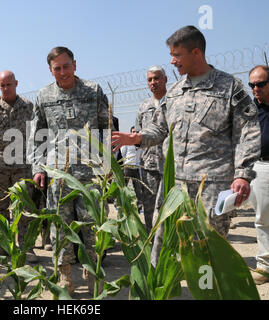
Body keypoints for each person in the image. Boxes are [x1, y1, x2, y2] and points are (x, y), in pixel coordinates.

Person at [112, 26, 261, 247]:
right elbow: (160, 129)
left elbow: (247, 133)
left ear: (196, 53)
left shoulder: (229, 88)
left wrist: (243, 174)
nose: (172, 61)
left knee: (207, 250)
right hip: (174, 184)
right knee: (163, 245)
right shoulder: (174, 92)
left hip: (211, 186)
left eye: (176, 55)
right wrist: (136, 138)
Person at [30, 46, 109, 295]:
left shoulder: (93, 91)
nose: (62, 72)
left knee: (92, 225)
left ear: (75, 64)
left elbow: (106, 131)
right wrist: (37, 167)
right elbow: (37, 136)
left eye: (66, 66)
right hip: (57, 174)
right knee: (60, 226)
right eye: (57, 68)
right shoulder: (43, 96)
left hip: (90, 173)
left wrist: (108, 167)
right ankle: (65, 277)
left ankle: (92, 273)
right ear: (51, 70)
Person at [0, 70, 37, 262]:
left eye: (9, 84)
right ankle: (3, 243)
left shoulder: (29, 107)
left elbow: (35, 133)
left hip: (23, 163)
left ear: (16, 83)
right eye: (2, 85)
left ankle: (26, 246)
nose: (6, 88)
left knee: (24, 206)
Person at [248, 65, 269, 284]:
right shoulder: (249, 110)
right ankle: (266, 267)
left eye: (260, 84)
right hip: (260, 167)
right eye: (252, 85)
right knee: (264, 219)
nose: (255, 89)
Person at [135, 66, 167, 233]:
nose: (153, 82)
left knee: (168, 208)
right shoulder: (144, 106)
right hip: (149, 165)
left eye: (156, 78)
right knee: (149, 207)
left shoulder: (173, 102)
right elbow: (138, 131)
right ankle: (152, 241)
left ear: (165, 79)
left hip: (170, 165)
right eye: (150, 80)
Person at [120, 126, 143, 209]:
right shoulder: (127, 142)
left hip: (136, 168)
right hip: (128, 167)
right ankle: (120, 203)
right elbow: (123, 153)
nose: (134, 133)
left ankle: (139, 205)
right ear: (130, 133)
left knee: (138, 188)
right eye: (133, 131)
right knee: (124, 186)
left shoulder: (141, 143)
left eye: (136, 132)